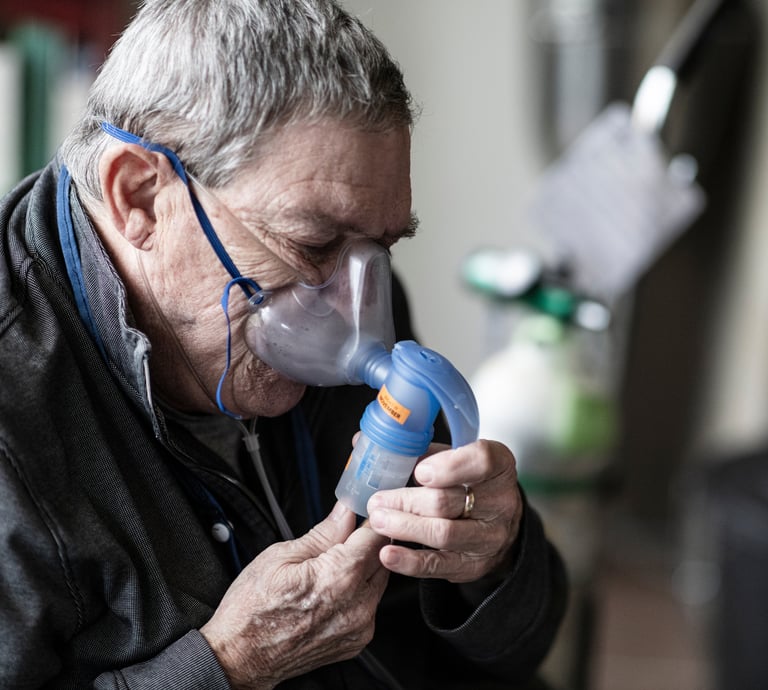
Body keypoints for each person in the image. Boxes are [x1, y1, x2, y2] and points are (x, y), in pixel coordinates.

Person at [0, 1, 567, 688]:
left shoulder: (353, 297)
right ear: (140, 196)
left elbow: (515, 654)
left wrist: (494, 560)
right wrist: (230, 665)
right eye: (313, 243)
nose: (360, 310)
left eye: (382, 247)